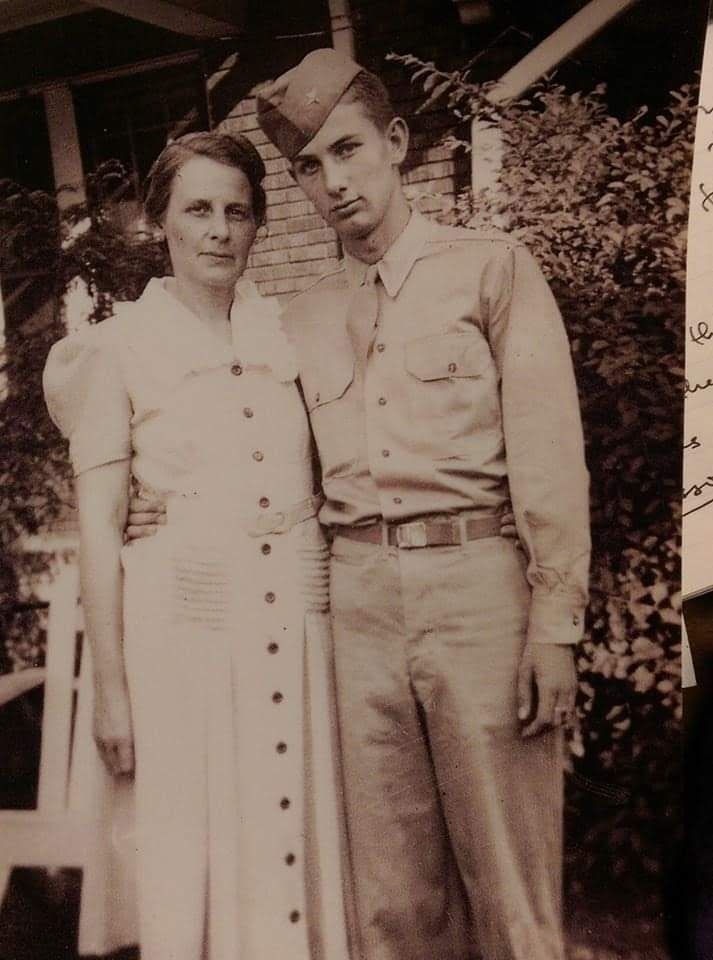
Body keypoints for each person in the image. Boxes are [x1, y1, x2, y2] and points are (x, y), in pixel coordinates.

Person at [128, 49, 590, 960]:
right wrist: (150, 504)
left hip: (478, 594)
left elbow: (549, 458)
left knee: (511, 888)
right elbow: (240, 438)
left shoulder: (489, 271)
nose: (331, 182)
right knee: (388, 898)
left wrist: (556, 624)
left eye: (347, 151)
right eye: (308, 166)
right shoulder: (289, 320)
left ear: (397, 142)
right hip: (356, 608)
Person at [43, 131, 350, 960]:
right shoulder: (117, 348)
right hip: (185, 636)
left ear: (256, 228)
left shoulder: (287, 338)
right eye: (198, 210)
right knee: (198, 859)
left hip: (295, 626)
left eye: (237, 212)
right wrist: (110, 690)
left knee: (296, 845)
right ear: (160, 223)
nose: (219, 230)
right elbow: (101, 527)